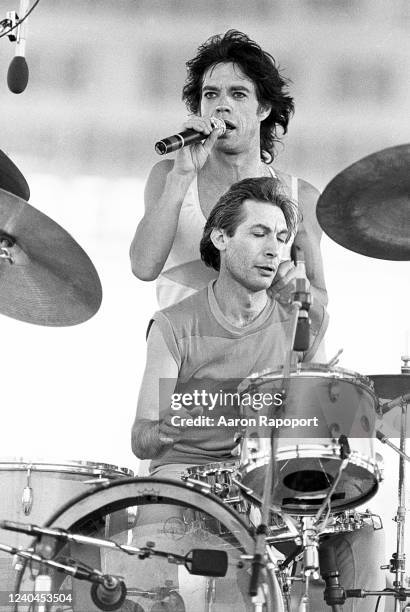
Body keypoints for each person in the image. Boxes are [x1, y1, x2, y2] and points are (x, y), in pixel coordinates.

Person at [131, 177, 384, 612]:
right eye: (259, 233)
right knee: (170, 549)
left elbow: (317, 424)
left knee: (363, 529)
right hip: (190, 473)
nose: (274, 249)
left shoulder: (300, 319)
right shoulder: (173, 325)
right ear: (221, 237)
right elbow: (142, 437)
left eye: (283, 238)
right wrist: (200, 419)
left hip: (267, 477)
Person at [129, 30, 328, 322]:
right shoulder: (168, 176)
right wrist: (182, 176)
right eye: (211, 94)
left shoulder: (301, 196)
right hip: (182, 355)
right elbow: (143, 268)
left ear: (263, 108)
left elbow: (320, 298)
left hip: (265, 359)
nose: (222, 105)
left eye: (238, 94)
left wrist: (296, 291)